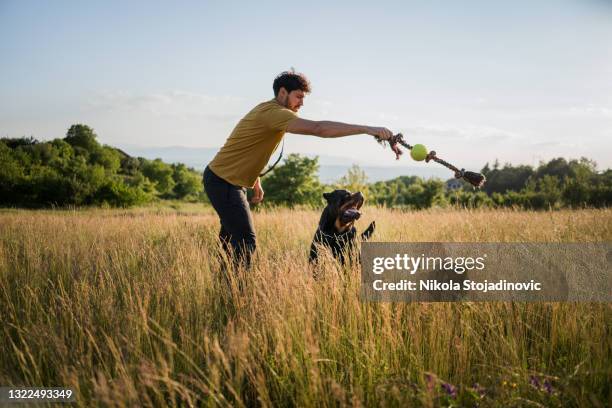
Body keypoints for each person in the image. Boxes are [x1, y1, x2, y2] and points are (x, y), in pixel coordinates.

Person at [204, 70, 393, 268]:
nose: (301, 103)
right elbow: (318, 129)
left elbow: (248, 145)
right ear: (283, 92)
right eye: (299, 97)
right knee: (245, 241)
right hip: (223, 182)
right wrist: (367, 129)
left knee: (230, 241)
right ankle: (236, 293)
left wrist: (255, 179)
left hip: (226, 181)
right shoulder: (274, 113)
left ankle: (225, 288)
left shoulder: (267, 110)